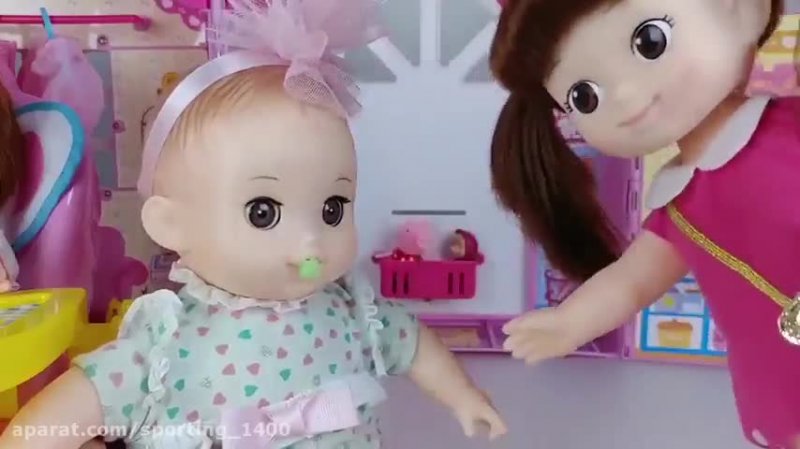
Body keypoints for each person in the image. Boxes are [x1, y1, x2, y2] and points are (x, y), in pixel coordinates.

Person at [0, 1, 506, 448]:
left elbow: (412, 342)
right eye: (263, 213)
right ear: (171, 224)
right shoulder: (171, 342)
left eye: (332, 208)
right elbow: (79, 401)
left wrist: (464, 396)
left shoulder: (353, 311)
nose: (310, 240)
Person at [488, 0, 799, 447]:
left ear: (742, 9)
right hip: (780, 386)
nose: (627, 96)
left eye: (650, 42)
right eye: (584, 96)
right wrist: (571, 321)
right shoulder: (682, 207)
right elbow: (631, 282)